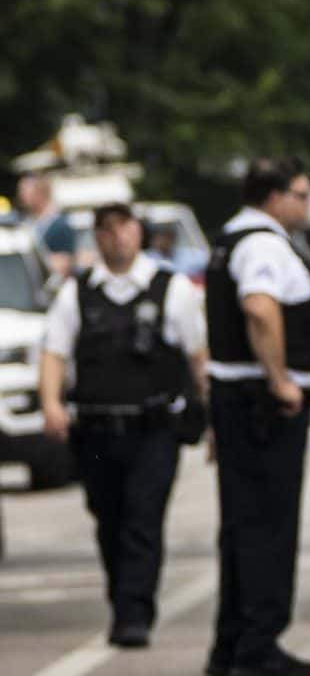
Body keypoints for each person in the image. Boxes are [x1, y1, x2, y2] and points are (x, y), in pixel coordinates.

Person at [36, 202, 208, 648]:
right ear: (97, 237)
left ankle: (134, 614)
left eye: (126, 228)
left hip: (153, 427)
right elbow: (54, 351)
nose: (119, 238)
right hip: (95, 428)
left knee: (142, 518)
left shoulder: (172, 289)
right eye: (108, 230)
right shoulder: (78, 293)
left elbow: (197, 356)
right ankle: (123, 600)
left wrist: (212, 417)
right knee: (108, 517)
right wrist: (51, 403)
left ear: (140, 232)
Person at [204, 156, 310, 676]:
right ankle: (258, 641)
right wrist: (281, 379)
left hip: (239, 397)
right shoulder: (262, 244)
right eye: (301, 195)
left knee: (242, 523)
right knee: (268, 522)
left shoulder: (231, 241)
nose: (307, 205)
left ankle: (233, 641)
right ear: (273, 196)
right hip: (261, 402)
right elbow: (260, 309)